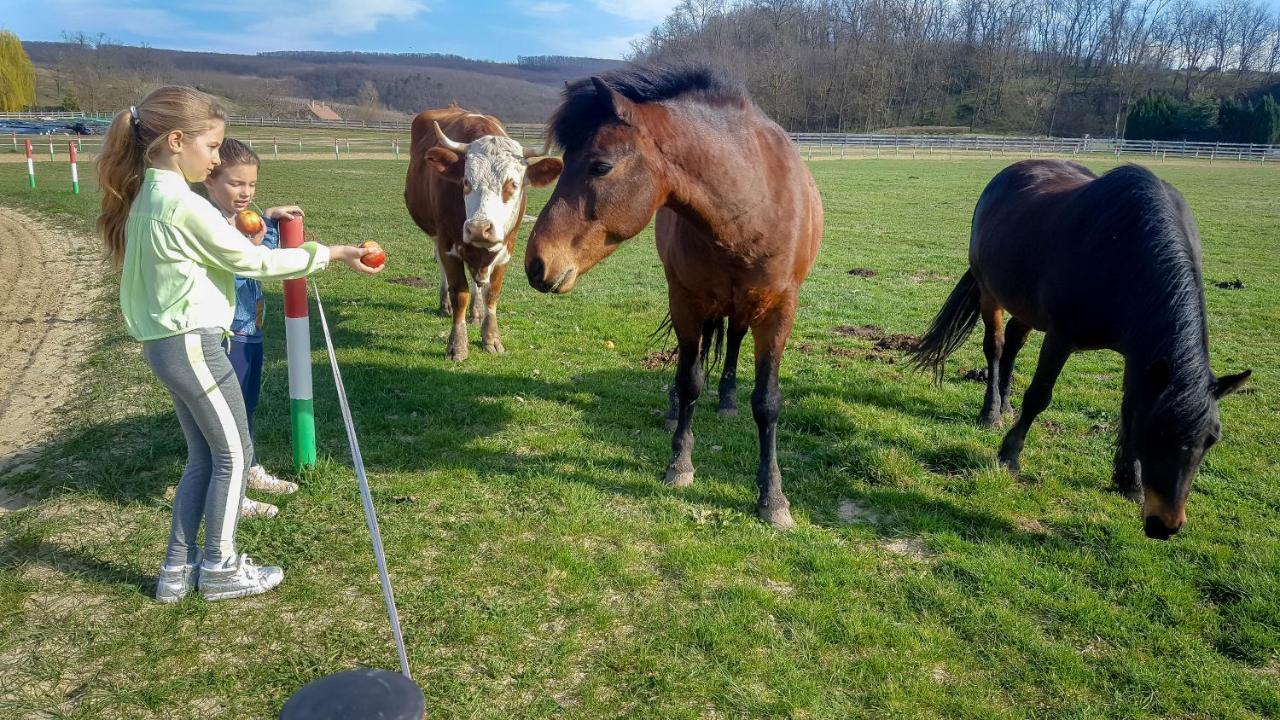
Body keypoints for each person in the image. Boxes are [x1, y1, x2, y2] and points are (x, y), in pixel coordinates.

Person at [96, 85, 383, 603]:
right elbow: (254, 262)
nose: (212, 162)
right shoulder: (181, 203)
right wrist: (332, 252)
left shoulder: (148, 196)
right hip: (191, 346)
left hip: (168, 345)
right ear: (177, 141)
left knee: (204, 458)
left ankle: (176, 571)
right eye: (210, 148)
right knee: (234, 453)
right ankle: (222, 565)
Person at [200, 138, 298, 520]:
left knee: (246, 407)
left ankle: (250, 466)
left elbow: (263, 251)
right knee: (228, 414)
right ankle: (231, 492)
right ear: (210, 181)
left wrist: (269, 221)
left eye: (252, 185)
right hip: (228, 335)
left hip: (252, 330)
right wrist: (256, 246)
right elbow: (248, 263)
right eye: (236, 184)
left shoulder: (239, 221)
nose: (245, 193)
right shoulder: (209, 224)